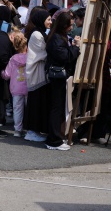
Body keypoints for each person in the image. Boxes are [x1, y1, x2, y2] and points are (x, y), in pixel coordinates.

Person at [44, 10, 81, 151]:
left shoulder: (59, 36)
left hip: (58, 76)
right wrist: (75, 47)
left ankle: (55, 138)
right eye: (69, 25)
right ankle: (54, 140)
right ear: (63, 25)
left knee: (58, 107)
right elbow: (65, 57)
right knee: (57, 108)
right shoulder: (57, 39)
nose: (71, 27)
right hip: (57, 76)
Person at [23, 7, 52, 142]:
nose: (50, 22)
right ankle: (31, 131)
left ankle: (35, 130)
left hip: (39, 72)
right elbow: (44, 52)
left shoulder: (39, 32)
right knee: (35, 102)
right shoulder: (37, 35)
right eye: (48, 19)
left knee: (38, 102)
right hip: (36, 72)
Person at [2, 32, 29, 138]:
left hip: (16, 88)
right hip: (28, 87)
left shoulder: (13, 59)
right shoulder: (29, 58)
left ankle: (17, 130)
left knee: (17, 109)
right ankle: (28, 128)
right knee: (28, 108)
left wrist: (1, 73)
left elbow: (7, 74)